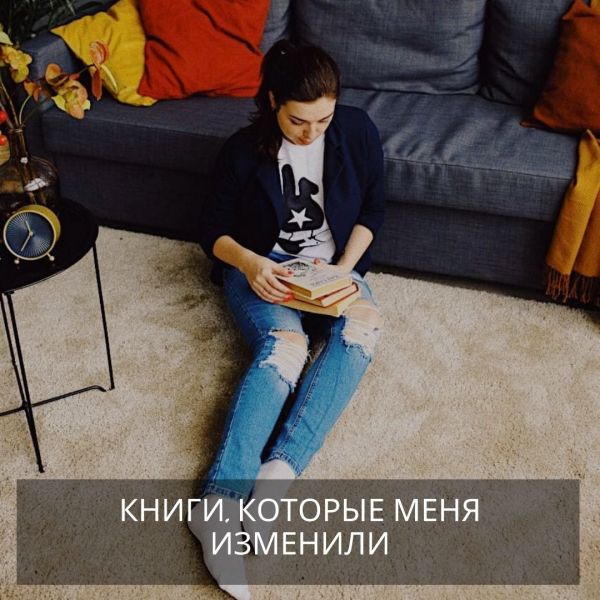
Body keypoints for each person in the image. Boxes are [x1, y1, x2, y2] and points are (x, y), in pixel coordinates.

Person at [190, 39, 385, 600]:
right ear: (273, 100)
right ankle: (218, 505)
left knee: (364, 326)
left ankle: (276, 478)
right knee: (286, 348)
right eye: (299, 120)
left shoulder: (356, 130)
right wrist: (251, 264)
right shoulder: (241, 151)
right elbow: (211, 232)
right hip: (264, 268)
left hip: (331, 268)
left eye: (323, 119)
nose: (311, 132)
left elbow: (373, 209)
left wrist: (344, 272)